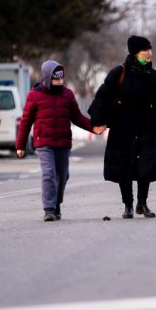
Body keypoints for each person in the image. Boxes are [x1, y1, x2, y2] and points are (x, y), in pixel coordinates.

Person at [88, 35, 156, 219]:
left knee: (146, 166)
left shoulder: (154, 76)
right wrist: (97, 121)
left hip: (146, 128)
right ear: (135, 53)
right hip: (122, 128)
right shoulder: (119, 73)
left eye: (150, 49)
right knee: (124, 166)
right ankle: (128, 204)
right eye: (145, 50)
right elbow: (102, 97)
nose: (149, 53)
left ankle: (142, 203)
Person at [15, 61, 99, 221]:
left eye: (61, 78)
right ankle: (49, 208)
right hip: (44, 142)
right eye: (56, 79)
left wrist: (93, 128)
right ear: (47, 78)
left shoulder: (67, 94)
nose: (60, 82)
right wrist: (20, 145)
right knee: (48, 173)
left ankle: (56, 203)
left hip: (63, 142)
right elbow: (25, 122)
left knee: (63, 176)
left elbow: (77, 117)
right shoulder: (34, 95)